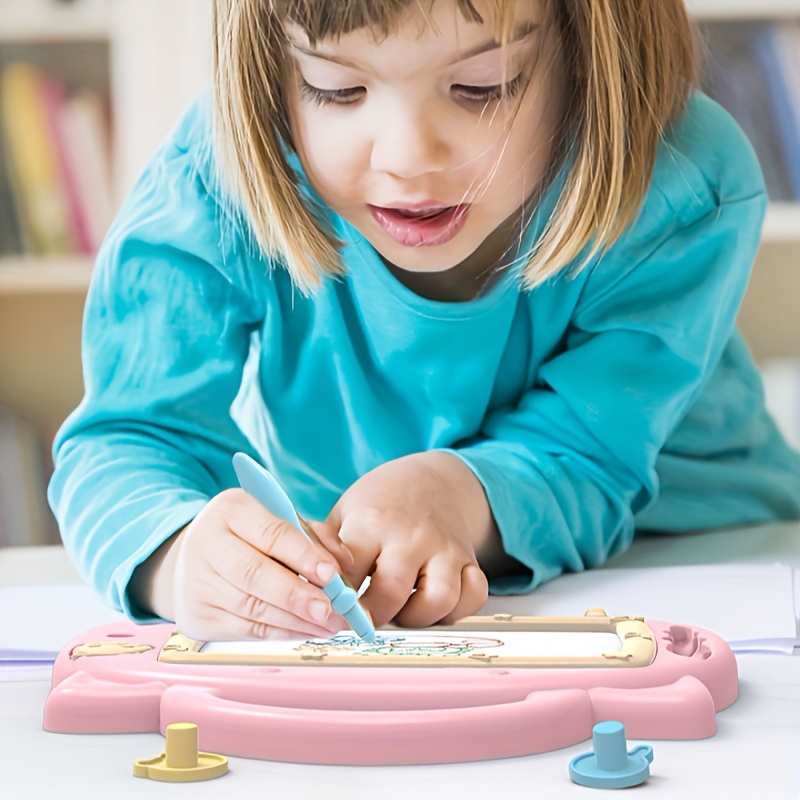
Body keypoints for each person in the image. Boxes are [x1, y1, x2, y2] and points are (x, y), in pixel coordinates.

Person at [49, 0, 800, 643]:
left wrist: (456, 495)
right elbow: (129, 437)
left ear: (587, 50)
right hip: (412, 601)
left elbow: (595, 450)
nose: (408, 158)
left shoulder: (677, 176)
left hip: (710, 556)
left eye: (482, 85)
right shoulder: (213, 178)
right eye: (335, 87)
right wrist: (177, 561)